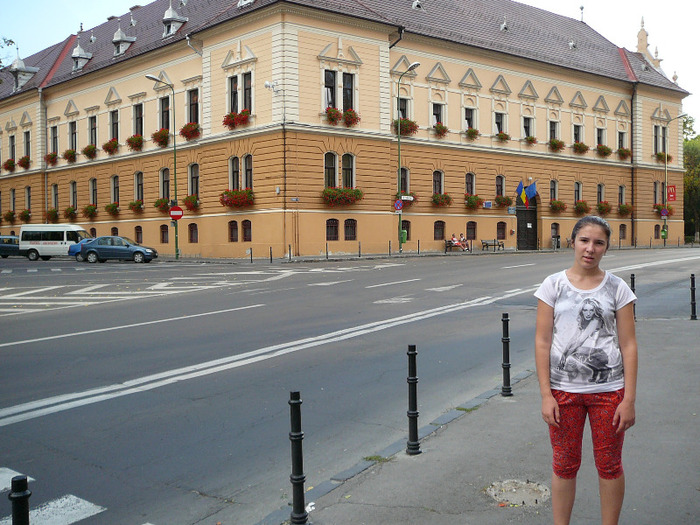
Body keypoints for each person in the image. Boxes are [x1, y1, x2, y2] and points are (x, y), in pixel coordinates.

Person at [534, 215, 638, 525]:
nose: (590, 248)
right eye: (584, 240)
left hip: (609, 393)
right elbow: (542, 342)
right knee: (564, 465)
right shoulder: (553, 285)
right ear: (573, 242)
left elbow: (629, 345)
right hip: (563, 393)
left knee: (609, 465)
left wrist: (628, 399)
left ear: (606, 247)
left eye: (598, 242)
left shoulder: (617, 288)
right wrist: (545, 395)